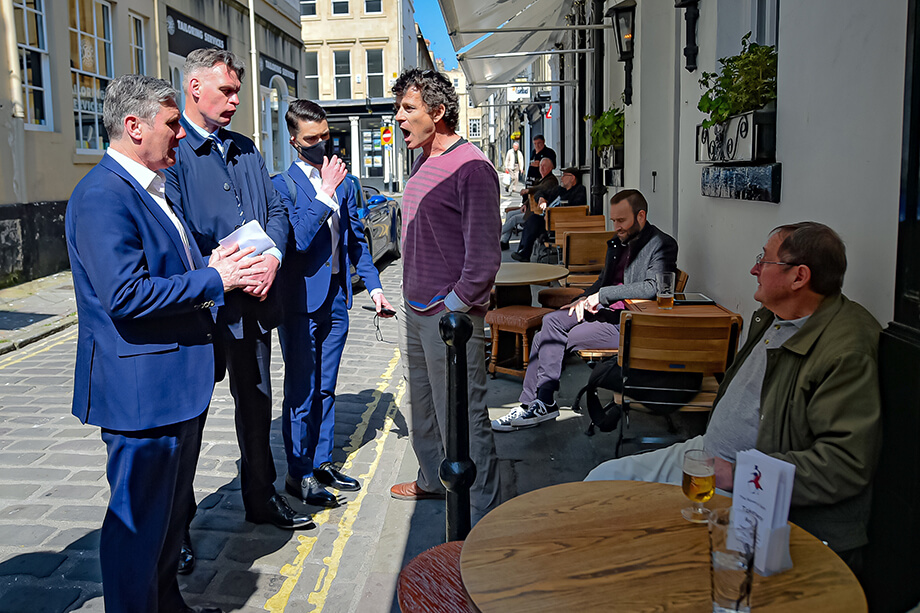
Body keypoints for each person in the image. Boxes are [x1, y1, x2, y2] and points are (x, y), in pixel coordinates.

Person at [65, 74, 267, 613]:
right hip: (141, 396)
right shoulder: (104, 196)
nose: (180, 135)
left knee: (169, 520)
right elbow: (126, 294)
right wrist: (213, 279)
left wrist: (210, 264)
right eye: (172, 124)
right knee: (138, 528)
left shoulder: (150, 186)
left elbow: (167, 266)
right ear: (133, 127)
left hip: (175, 387)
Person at [585, 222, 881, 570]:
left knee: (661, 559)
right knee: (599, 484)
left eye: (765, 261)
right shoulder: (776, 316)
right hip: (707, 455)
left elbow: (844, 465)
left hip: (754, 491)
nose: (754, 269)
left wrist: (737, 473)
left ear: (799, 277)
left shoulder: (845, 350)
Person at [164, 48, 311, 540]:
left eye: (237, 92)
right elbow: (174, 229)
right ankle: (178, 528)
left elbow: (276, 212)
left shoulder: (246, 148)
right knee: (190, 422)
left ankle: (260, 496)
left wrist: (269, 258)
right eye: (225, 91)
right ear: (195, 88)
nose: (233, 100)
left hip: (253, 303)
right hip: (201, 308)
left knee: (256, 404)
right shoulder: (173, 150)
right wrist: (216, 269)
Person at [388, 68, 503, 523]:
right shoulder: (422, 159)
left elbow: (483, 257)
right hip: (414, 308)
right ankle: (433, 479)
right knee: (422, 405)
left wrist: (453, 307)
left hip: (449, 317)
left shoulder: (472, 168)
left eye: (408, 109)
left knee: (466, 418)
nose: (399, 118)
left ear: (437, 112)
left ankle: (487, 512)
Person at [271, 99, 395, 508]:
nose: (323, 144)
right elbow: (299, 241)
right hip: (300, 304)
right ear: (294, 140)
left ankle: (321, 462)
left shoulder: (344, 181)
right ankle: (298, 473)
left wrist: (374, 288)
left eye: (326, 135)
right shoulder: (282, 186)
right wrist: (323, 194)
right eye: (313, 138)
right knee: (301, 391)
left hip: (337, 301)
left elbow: (357, 240)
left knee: (326, 389)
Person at [493, 189, 677, 431]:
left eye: (621, 220)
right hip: (605, 314)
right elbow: (602, 282)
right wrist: (582, 299)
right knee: (550, 325)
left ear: (641, 216)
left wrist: (601, 297)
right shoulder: (618, 242)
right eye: (613, 220)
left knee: (544, 335)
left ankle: (539, 403)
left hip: (629, 324)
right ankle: (536, 404)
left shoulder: (661, 244)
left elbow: (654, 288)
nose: (616, 226)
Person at [512, 167, 588, 262]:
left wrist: (552, 214)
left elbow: (574, 209)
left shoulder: (579, 191)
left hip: (561, 223)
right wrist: (541, 198)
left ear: (572, 178)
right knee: (532, 220)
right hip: (547, 219)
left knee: (533, 222)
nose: (561, 178)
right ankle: (523, 252)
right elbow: (539, 192)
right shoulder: (559, 189)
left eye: (564, 175)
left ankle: (524, 253)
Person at [500, 158, 558, 251]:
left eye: (544, 166)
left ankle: (495, 234)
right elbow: (534, 194)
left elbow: (540, 189)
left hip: (535, 213)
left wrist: (528, 190)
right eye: (540, 166)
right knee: (510, 214)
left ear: (551, 168)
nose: (542, 168)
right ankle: (504, 241)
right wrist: (525, 204)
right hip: (530, 208)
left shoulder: (551, 180)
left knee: (514, 219)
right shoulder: (541, 179)